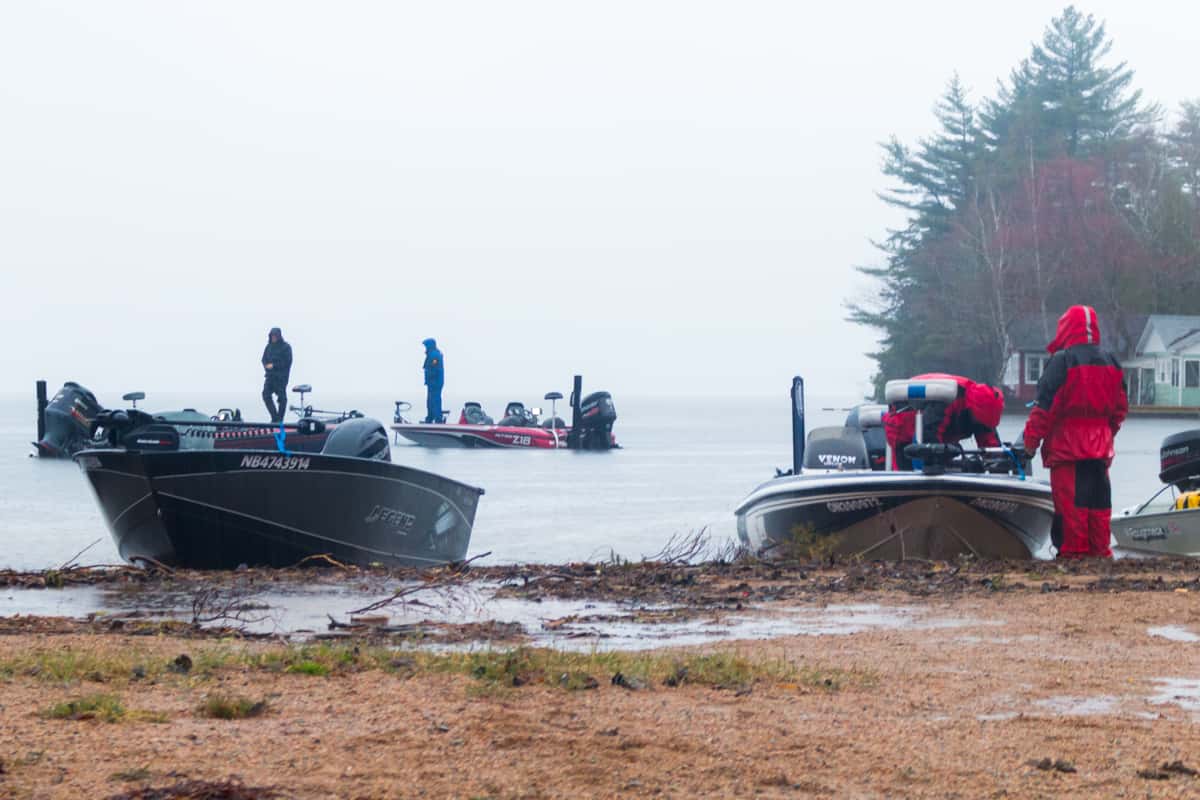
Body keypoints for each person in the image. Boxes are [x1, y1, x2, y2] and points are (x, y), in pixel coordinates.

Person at [1021, 305, 1128, 559]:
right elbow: (1120, 409)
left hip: (1067, 448)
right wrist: (1104, 435)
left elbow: (1044, 408)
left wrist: (1029, 444)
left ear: (1066, 328)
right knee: (1098, 507)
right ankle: (1100, 555)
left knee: (1072, 509)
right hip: (1100, 448)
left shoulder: (1062, 360)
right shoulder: (1112, 361)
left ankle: (1074, 558)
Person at [884, 372, 1004, 469]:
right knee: (909, 470)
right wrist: (955, 463)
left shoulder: (983, 405)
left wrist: (996, 462)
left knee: (944, 457)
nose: (980, 426)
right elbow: (929, 434)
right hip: (904, 420)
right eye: (979, 421)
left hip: (939, 430)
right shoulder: (948, 400)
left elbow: (990, 443)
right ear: (971, 410)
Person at [261, 327, 293, 423]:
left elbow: (287, 362)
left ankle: (280, 419)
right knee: (265, 394)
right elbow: (263, 359)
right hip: (270, 377)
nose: (273, 338)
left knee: (282, 398)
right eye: (272, 336)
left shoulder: (286, 347)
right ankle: (275, 418)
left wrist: (274, 365)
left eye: (275, 336)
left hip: (281, 378)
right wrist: (267, 366)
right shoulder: (268, 347)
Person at [422, 338, 445, 424]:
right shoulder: (432, 354)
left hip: (435, 382)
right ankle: (430, 418)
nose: (425, 348)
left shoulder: (434, 355)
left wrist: (431, 378)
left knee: (435, 401)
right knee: (430, 401)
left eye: (426, 345)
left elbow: (434, 369)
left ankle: (438, 419)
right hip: (432, 383)